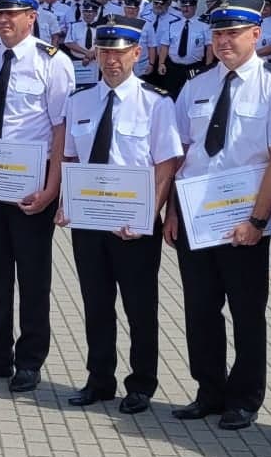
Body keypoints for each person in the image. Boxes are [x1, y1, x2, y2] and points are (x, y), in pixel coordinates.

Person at [166, 5, 271, 430]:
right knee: (200, 309)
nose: (224, 41)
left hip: (244, 221)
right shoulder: (196, 86)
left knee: (246, 312)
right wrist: (172, 211)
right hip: (196, 218)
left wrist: (258, 222)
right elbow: (181, 154)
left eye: (234, 33)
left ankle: (244, 398)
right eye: (218, 34)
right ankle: (208, 390)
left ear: (256, 34)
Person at [56, 23, 182, 413]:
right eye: (105, 52)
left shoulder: (156, 103)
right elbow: (71, 158)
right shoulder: (80, 101)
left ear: (137, 54)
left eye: (120, 52)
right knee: (95, 303)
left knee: (139, 307)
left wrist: (149, 216)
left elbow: (167, 165)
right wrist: (65, 201)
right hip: (90, 221)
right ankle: (99, 379)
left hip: (134, 224)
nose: (111, 60)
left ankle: (141, 384)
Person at [0, 0, 75, 393]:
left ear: (32, 17)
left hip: (31, 185)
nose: (4, 20)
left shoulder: (53, 62)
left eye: (13, 13)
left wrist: (52, 189)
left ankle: (29, 361)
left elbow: (62, 131)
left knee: (32, 276)